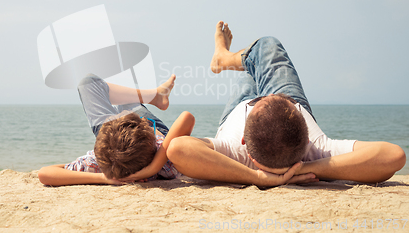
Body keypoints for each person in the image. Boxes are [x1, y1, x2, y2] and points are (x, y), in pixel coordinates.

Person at [165, 21, 406, 188]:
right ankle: (226, 58)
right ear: (306, 134)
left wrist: (257, 178)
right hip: (285, 125)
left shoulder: (234, 152)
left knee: (262, 52)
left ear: (243, 143)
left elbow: (177, 149)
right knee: (263, 53)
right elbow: (393, 156)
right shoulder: (318, 149)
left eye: (264, 100)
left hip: (237, 108)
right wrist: (308, 169)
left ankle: (222, 56)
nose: (266, 95)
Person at [38, 73, 195, 186]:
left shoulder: (100, 163)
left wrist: (104, 178)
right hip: (140, 144)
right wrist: (153, 167)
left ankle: (155, 96)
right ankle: (155, 96)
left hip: (116, 143)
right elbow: (186, 118)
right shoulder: (168, 164)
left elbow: (45, 173)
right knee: (127, 103)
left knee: (89, 83)